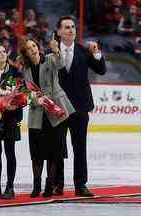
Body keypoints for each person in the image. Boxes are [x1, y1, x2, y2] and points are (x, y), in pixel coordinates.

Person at [55, 16, 106, 197]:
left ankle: (81, 185)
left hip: (80, 107)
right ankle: (57, 184)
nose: (71, 30)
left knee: (80, 148)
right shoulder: (51, 51)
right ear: (59, 31)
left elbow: (101, 70)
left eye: (73, 27)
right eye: (67, 27)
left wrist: (97, 53)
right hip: (58, 108)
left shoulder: (84, 51)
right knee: (58, 148)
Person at [18, 36, 75, 198]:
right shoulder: (26, 70)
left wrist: (56, 48)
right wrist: (34, 99)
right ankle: (36, 186)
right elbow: (26, 92)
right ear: (26, 53)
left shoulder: (49, 59)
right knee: (37, 152)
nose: (33, 49)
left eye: (34, 45)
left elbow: (61, 64)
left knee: (54, 152)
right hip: (37, 113)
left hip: (56, 111)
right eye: (29, 48)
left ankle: (50, 185)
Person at [0, 44, 23, 199]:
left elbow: (24, 94)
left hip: (12, 117)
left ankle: (10, 187)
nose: (2, 54)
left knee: (10, 151)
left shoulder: (15, 71)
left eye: (4, 51)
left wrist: (13, 106)